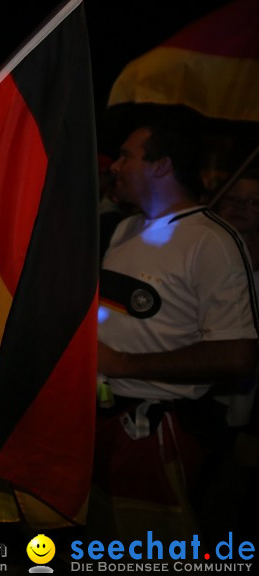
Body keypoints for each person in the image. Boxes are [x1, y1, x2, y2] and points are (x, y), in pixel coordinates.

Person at [96, 119, 258, 535]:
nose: (115, 166)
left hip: (154, 434)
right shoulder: (125, 229)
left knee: (146, 552)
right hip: (100, 423)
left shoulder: (213, 241)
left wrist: (122, 364)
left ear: (162, 165)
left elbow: (236, 355)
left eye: (127, 156)